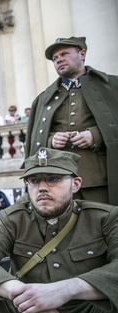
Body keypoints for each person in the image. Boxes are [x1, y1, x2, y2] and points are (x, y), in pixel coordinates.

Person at [0, 147, 118, 313]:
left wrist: (67, 289)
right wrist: (25, 297)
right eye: (34, 181)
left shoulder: (103, 218)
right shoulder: (15, 220)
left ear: (75, 184)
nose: (42, 187)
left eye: (53, 179)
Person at [25, 36, 118, 205]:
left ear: (82, 54)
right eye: (55, 58)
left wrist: (95, 135)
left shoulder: (112, 86)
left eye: (64, 54)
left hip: (100, 178)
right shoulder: (43, 99)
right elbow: (34, 140)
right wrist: (52, 139)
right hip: (58, 181)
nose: (58, 59)